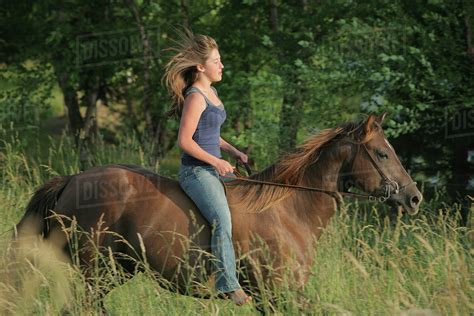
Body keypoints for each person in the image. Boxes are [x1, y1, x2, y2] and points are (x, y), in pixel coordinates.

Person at [163, 29, 252, 306]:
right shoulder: (196, 97)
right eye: (216, 61)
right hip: (197, 172)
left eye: (220, 60)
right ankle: (228, 284)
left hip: (216, 169)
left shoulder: (211, 92)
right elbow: (185, 141)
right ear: (201, 66)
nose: (222, 65)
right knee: (222, 219)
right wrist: (215, 161)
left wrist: (232, 150)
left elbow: (211, 133)